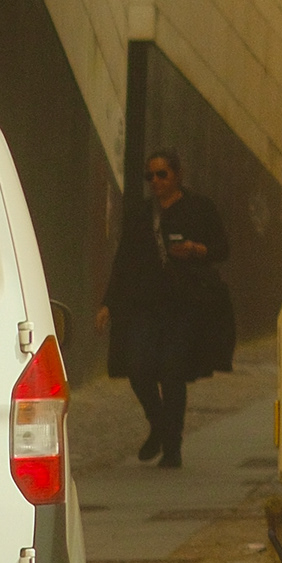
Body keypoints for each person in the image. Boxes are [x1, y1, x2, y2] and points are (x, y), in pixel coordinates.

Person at [102, 150, 235, 468]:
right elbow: (123, 260)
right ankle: (159, 425)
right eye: (150, 176)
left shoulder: (199, 208)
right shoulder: (141, 214)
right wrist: (108, 302)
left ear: (177, 174)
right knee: (138, 368)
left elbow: (222, 249)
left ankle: (172, 446)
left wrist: (196, 250)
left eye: (162, 174)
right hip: (145, 304)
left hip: (185, 304)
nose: (156, 181)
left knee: (172, 372)